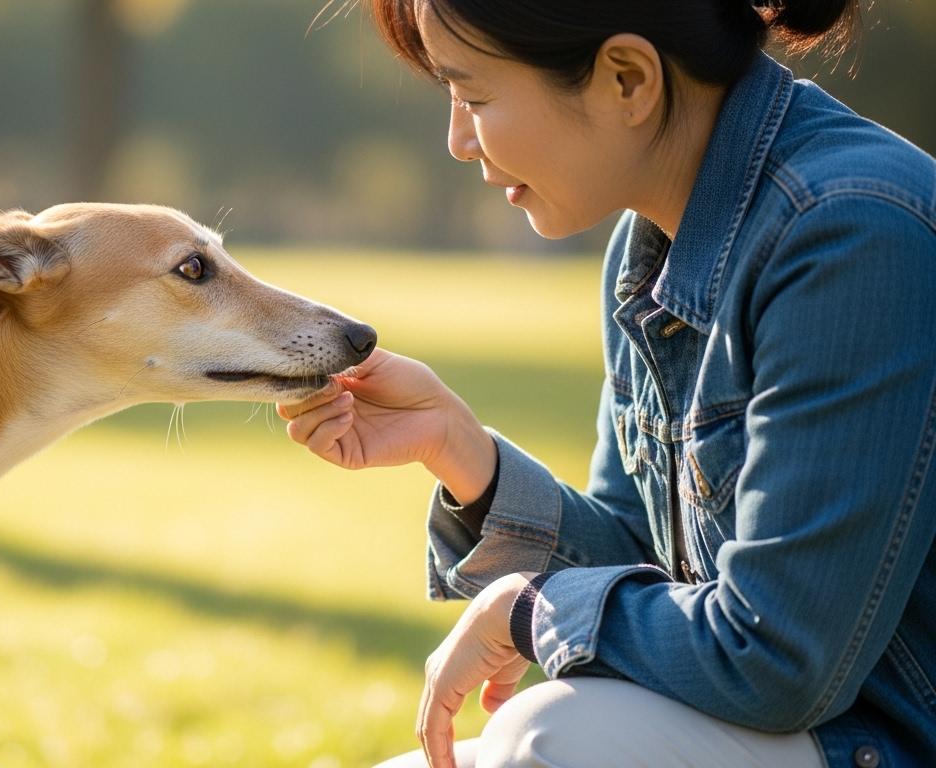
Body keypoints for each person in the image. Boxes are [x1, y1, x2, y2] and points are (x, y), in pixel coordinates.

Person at [278, 1, 936, 766]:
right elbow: (642, 564)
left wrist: (531, 610)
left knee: (553, 741)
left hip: (884, 738)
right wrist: (459, 449)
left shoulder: (851, 232)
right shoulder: (652, 241)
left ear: (627, 79)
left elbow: (777, 658)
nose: (458, 141)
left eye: (475, 96)